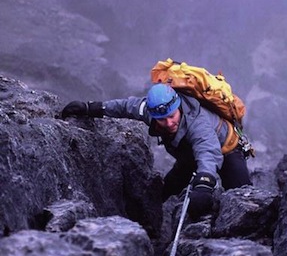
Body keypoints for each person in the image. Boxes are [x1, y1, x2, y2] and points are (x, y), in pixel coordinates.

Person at [61, 83, 252, 219]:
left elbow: (208, 153)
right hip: (187, 157)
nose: (169, 124)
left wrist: (204, 183)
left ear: (178, 106)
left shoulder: (198, 123)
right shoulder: (149, 110)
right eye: (162, 119)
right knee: (164, 191)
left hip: (227, 149)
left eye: (171, 116)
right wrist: (90, 108)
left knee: (243, 199)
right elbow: (125, 107)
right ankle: (153, 225)